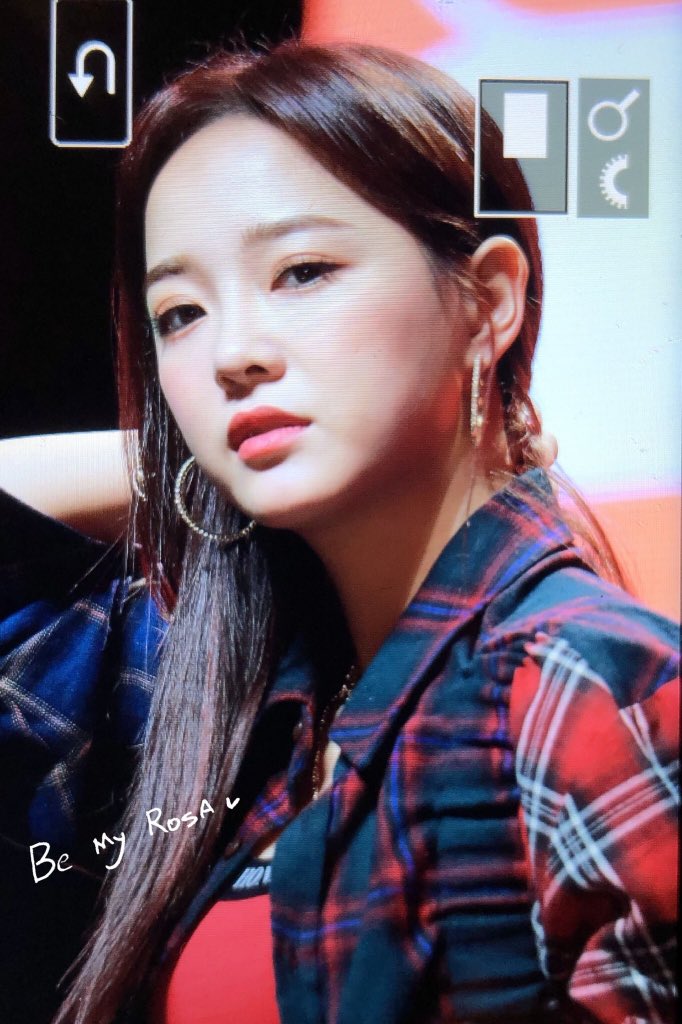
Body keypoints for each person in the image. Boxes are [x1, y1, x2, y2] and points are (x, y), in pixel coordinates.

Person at [0, 41, 678, 1024]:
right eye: (180, 313)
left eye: (303, 270)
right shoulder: (256, 715)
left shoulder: (586, 685)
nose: (233, 353)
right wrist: (188, 462)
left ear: (488, 300)